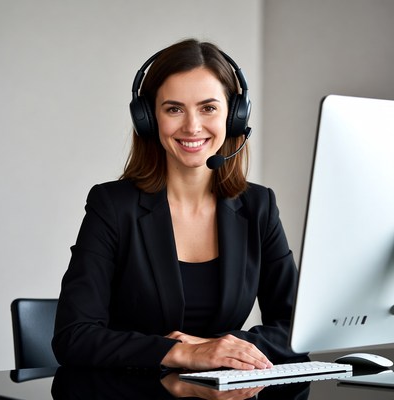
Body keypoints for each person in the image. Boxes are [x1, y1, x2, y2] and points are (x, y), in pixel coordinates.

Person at [52, 38, 303, 371]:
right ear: (148, 119)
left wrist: (224, 347)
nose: (192, 126)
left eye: (208, 107)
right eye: (174, 109)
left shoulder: (259, 206)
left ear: (234, 116)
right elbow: (74, 336)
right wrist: (183, 353)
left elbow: (297, 330)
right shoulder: (112, 206)